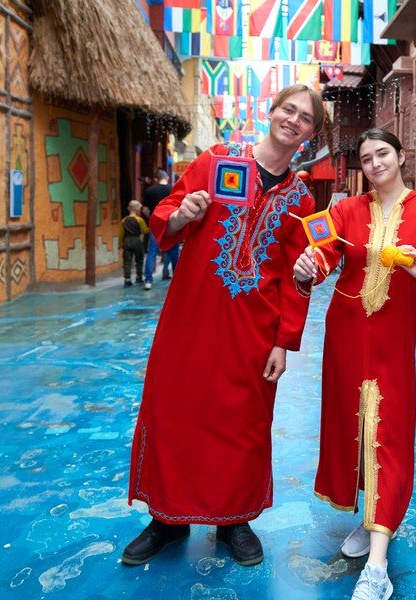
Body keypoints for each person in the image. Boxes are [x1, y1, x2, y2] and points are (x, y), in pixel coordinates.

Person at [122, 84, 326, 567]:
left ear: (311, 134)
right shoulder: (218, 161)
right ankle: (167, 519)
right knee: (175, 412)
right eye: (289, 109)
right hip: (190, 319)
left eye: (305, 118)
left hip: (254, 332)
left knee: (243, 424)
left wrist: (283, 341)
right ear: (271, 111)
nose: (294, 120)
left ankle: (234, 519)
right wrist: (180, 216)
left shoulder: (301, 201)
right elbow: (168, 215)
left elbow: (297, 277)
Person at [293, 129, 416, 600]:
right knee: (355, 430)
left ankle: (377, 573)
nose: (375, 163)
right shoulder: (346, 210)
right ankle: (372, 519)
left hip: (393, 345)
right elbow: (325, 255)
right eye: (367, 157)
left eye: (383, 154)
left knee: (388, 434)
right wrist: (308, 265)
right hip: (345, 337)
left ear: (400, 157)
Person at [142, 169, 177, 290]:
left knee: (152, 252)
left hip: (156, 225)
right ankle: (177, 280)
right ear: (167, 178)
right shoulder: (173, 189)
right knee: (174, 253)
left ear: (156, 179)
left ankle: (148, 280)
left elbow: (144, 210)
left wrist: (152, 217)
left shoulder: (150, 190)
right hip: (172, 225)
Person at [119, 200, 149, 287]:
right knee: (139, 259)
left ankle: (127, 279)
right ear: (137, 209)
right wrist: (150, 228)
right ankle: (139, 277)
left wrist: (120, 244)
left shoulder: (124, 220)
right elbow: (145, 230)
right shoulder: (139, 220)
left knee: (127, 261)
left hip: (126, 240)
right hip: (136, 240)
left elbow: (121, 234)